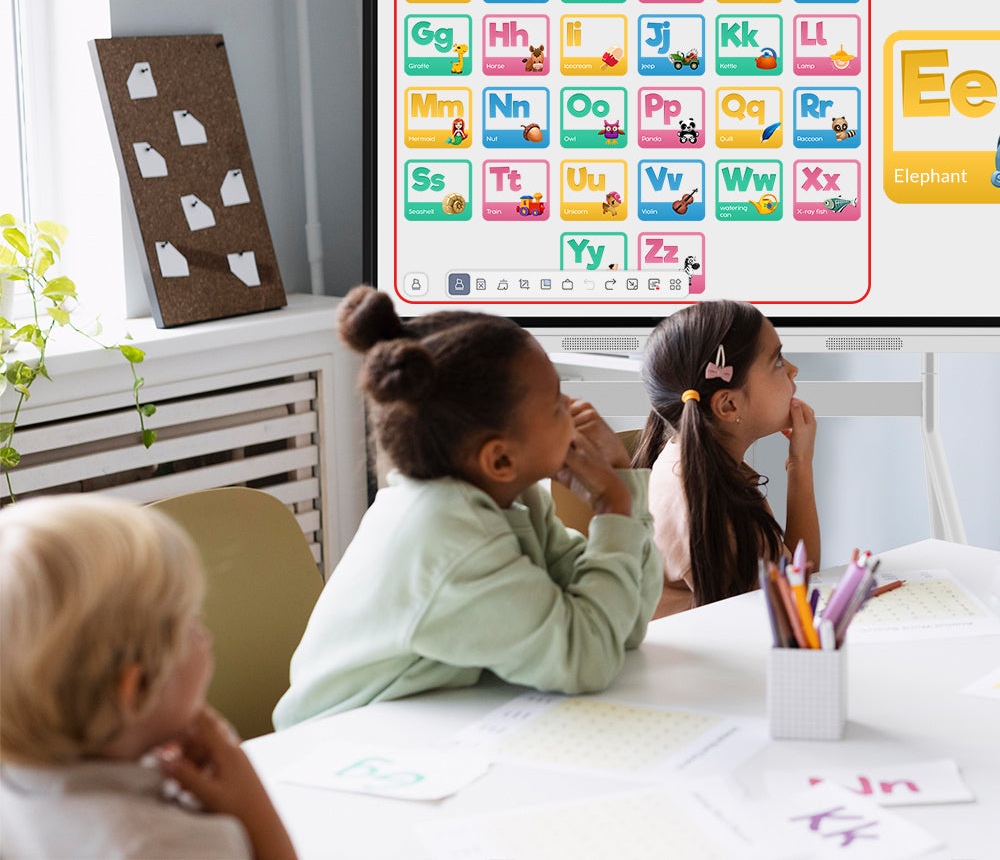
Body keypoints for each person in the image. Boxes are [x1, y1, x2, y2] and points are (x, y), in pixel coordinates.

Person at [272, 286, 663, 729]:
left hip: (421, 726)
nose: (578, 410)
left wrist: (621, 481)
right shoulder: (449, 538)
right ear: (500, 460)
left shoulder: (513, 501)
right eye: (557, 402)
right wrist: (613, 509)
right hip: (337, 743)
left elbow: (622, 623)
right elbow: (587, 658)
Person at [0, 495, 297, 860]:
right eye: (191, 622)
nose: (206, 636)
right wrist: (255, 812)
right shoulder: (170, 845)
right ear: (136, 690)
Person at [633, 300, 819, 617]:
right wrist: (801, 466)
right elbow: (793, 603)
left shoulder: (693, 459)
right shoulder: (710, 507)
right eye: (776, 361)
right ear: (728, 406)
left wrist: (800, 462)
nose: (792, 369)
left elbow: (794, 581)